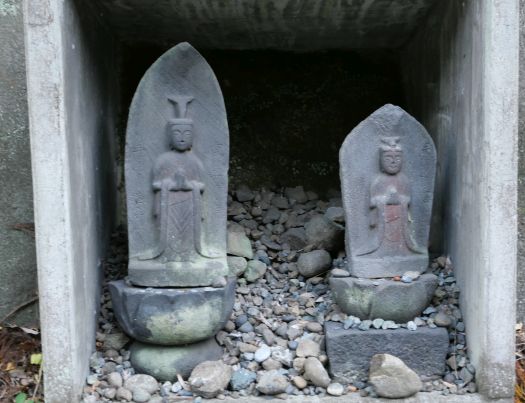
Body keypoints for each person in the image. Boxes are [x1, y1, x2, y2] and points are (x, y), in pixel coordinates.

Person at [357, 136, 424, 257]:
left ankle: (402, 250)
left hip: (400, 219)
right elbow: (371, 202)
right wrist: (385, 199)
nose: (393, 162)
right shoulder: (378, 181)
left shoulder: (404, 180)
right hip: (383, 220)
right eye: (388, 158)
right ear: (381, 161)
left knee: (400, 237)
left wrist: (400, 199)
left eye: (397, 158)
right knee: (383, 238)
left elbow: (408, 200)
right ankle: (381, 251)